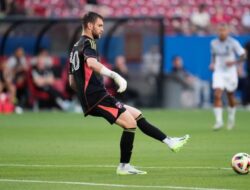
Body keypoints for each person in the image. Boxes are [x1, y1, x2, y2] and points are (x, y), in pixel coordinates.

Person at [68, 12, 189, 175]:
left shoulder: (75, 48)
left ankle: (170, 142)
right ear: (90, 26)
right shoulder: (88, 43)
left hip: (95, 96)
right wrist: (114, 75)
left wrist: (84, 95)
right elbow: (91, 63)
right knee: (130, 124)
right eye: (100, 25)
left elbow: (72, 82)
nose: (102, 29)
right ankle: (124, 166)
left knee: (137, 115)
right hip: (96, 97)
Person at [209, 23, 246, 130]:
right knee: (217, 94)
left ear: (228, 31)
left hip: (230, 73)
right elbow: (214, 55)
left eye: (223, 30)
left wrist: (234, 62)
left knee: (230, 95)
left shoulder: (233, 43)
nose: (221, 32)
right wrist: (212, 64)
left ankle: (231, 119)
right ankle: (219, 122)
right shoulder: (213, 43)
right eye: (220, 30)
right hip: (219, 72)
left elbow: (243, 56)